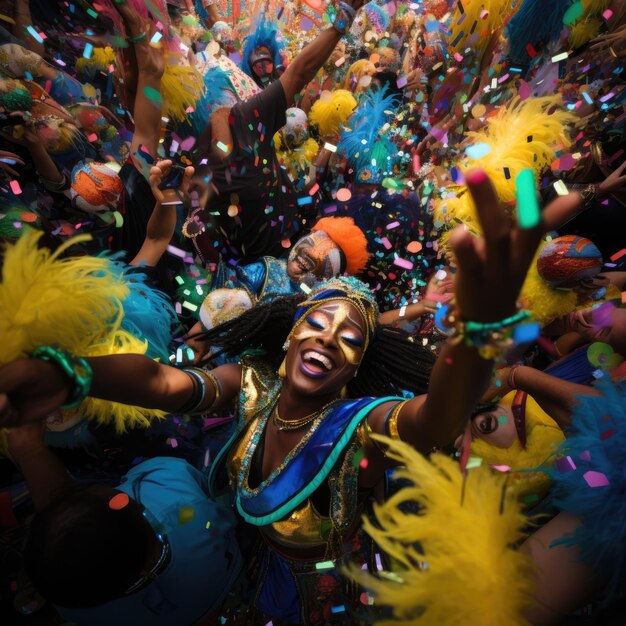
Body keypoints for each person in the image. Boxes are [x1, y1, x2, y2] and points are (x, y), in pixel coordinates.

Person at [0, 170, 582, 623]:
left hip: (318, 600)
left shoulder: (358, 425)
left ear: (355, 367)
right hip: (242, 563)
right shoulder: (253, 382)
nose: (330, 338)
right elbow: (160, 383)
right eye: (318, 323)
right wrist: (74, 374)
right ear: (289, 338)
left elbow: (433, 419)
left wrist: (476, 335)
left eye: (351, 338)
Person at [6, 423, 242, 626]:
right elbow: (207, 488)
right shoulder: (169, 489)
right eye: (116, 496)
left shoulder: (74, 605)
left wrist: (30, 453)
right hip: (219, 573)